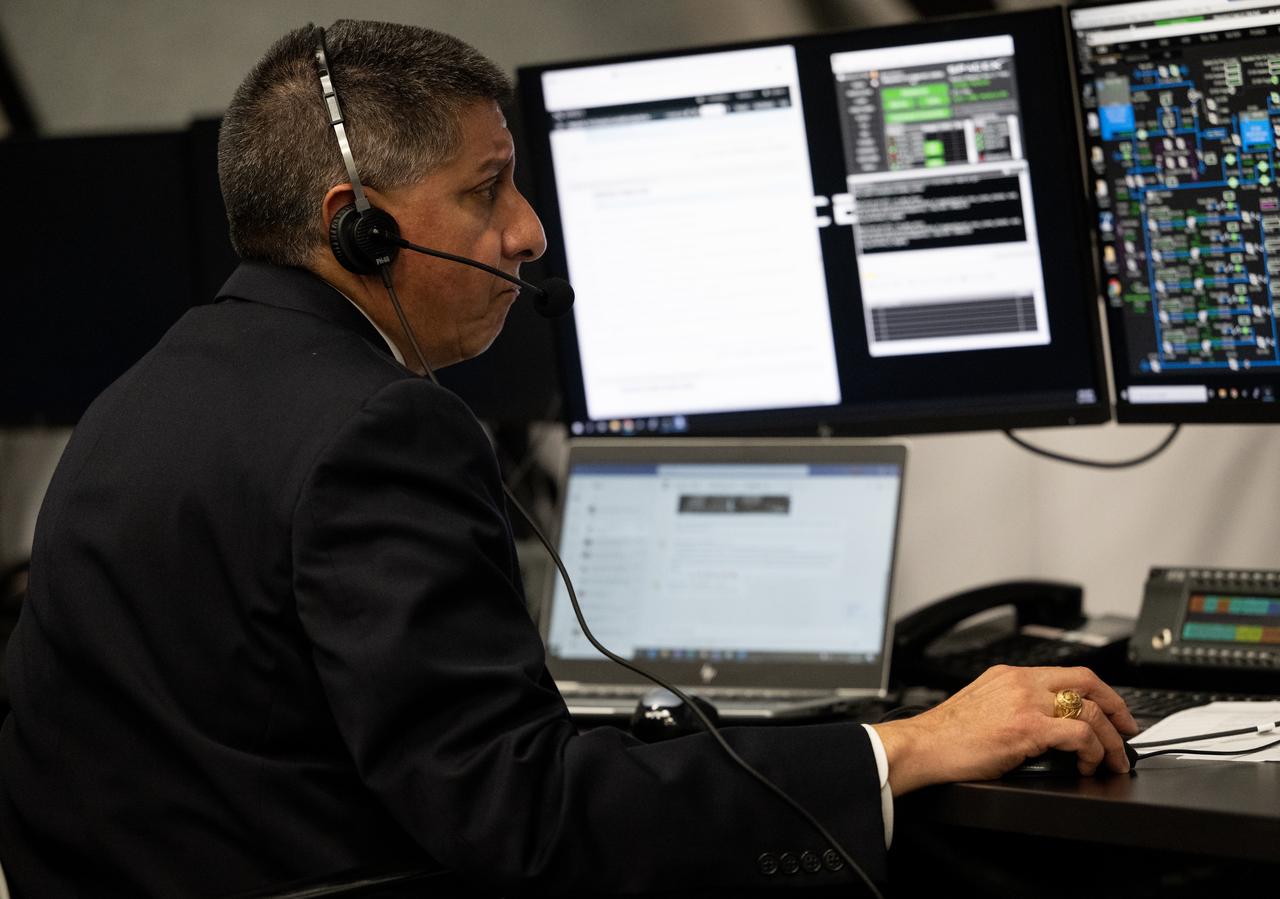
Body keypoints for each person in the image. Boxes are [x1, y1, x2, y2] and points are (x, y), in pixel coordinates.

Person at [0, 19, 1138, 898]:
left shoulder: (138, 399)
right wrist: (903, 744)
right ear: (360, 226)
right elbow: (523, 816)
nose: (528, 231)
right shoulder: (375, 429)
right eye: (485, 187)